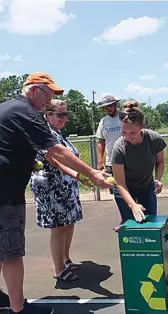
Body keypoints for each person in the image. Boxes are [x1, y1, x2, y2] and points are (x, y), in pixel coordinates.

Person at [0, 72, 112, 314]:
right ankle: (19, 309)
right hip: (5, 194)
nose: (47, 101)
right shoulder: (27, 112)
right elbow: (56, 151)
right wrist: (93, 173)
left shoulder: (7, 109)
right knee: (10, 252)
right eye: (46, 95)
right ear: (32, 90)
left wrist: (21, 161)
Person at [30, 100, 90, 282]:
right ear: (48, 115)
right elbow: (56, 160)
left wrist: (78, 175)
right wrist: (80, 174)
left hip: (65, 186)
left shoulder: (59, 134)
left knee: (68, 224)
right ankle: (59, 270)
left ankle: (65, 259)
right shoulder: (45, 133)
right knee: (58, 229)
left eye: (65, 114)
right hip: (51, 186)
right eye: (60, 115)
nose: (64, 118)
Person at [111, 106, 166, 224]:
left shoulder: (154, 139)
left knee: (150, 223)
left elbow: (160, 162)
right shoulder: (118, 148)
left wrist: (157, 179)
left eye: (132, 133)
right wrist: (133, 205)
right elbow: (120, 184)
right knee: (130, 224)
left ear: (141, 127)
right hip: (125, 189)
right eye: (123, 132)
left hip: (146, 186)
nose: (127, 137)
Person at [96, 95, 122, 209]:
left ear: (115, 105)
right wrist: (100, 161)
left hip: (126, 160)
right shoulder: (103, 121)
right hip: (110, 162)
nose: (107, 109)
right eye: (105, 108)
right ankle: (125, 217)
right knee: (116, 192)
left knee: (129, 189)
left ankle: (133, 216)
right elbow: (101, 141)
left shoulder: (123, 117)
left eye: (109, 106)